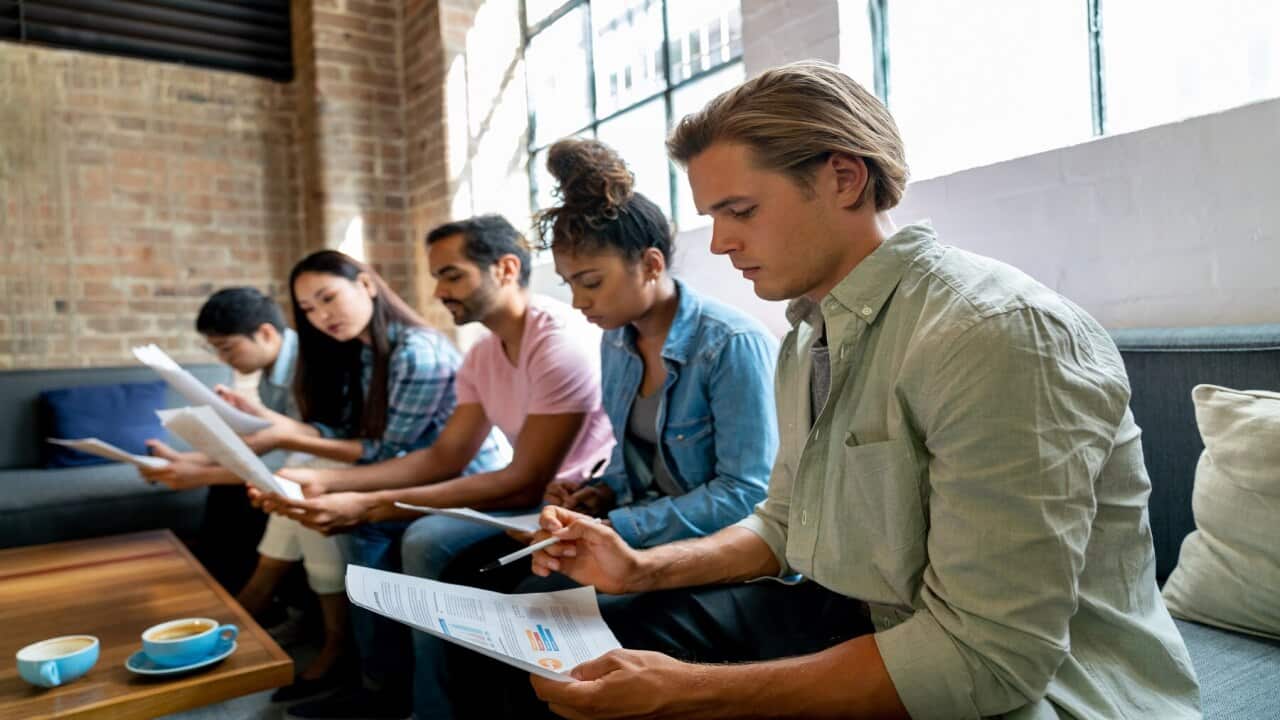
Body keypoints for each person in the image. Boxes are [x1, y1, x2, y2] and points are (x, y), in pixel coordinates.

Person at [521, 61, 1201, 719]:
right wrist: (640, 567)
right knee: (590, 644)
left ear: (844, 178)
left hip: (1044, 689)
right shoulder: (806, 336)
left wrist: (692, 690)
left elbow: (988, 659)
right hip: (861, 617)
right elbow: (784, 522)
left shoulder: (993, 336)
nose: (722, 243)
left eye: (740, 211)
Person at [261, 216, 614, 720]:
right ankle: (384, 690)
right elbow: (444, 456)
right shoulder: (482, 353)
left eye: (452, 275)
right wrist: (325, 483)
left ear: (506, 268)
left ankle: (428, 708)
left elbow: (523, 480)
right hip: (525, 490)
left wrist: (368, 502)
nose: (439, 291)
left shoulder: (555, 339)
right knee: (380, 528)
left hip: (572, 494)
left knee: (421, 538)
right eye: (437, 277)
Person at [229, 250, 507, 705]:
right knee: (304, 486)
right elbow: (352, 434)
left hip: (453, 480)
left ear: (367, 285)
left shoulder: (416, 352)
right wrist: (269, 424)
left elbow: (385, 451)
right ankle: (360, 673)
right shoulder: (363, 351)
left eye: (328, 298)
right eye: (309, 310)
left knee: (349, 513)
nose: (321, 317)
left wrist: (298, 451)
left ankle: (374, 685)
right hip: (402, 471)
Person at [140, 287, 297, 597]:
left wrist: (200, 474)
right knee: (227, 490)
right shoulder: (272, 375)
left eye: (227, 348)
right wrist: (194, 462)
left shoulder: (304, 369)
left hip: (328, 464)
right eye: (216, 350)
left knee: (233, 493)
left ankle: (239, 599)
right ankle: (224, 593)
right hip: (299, 457)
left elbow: (294, 456)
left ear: (265, 333)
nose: (224, 359)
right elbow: (273, 441)